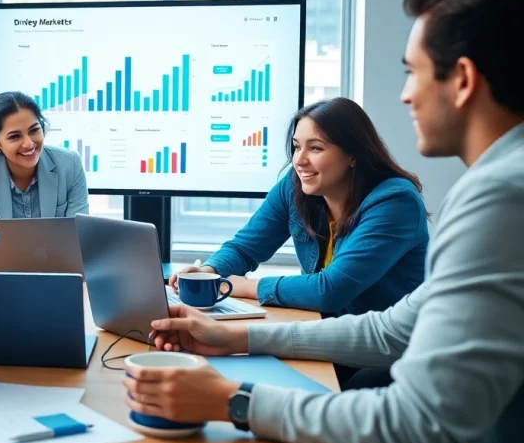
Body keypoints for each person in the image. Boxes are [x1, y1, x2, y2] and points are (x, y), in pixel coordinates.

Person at [123, 0, 524, 443]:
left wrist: (232, 400)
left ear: (462, 80)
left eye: (412, 72)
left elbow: (422, 429)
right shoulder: (504, 183)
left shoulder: (499, 195)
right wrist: (228, 334)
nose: (405, 94)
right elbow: (392, 329)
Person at [169, 97, 427, 318]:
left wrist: (239, 286)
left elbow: (330, 291)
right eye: (296, 146)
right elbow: (245, 248)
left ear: (353, 155)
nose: (299, 160)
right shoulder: (295, 187)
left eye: (315, 148)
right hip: (325, 331)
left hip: (381, 353)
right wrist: (209, 272)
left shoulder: (395, 203)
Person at [0, 91, 89, 264]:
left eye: (34, 130)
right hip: (2, 275)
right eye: (15, 136)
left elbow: (79, 237)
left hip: (56, 269)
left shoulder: (70, 164)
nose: (29, 143)